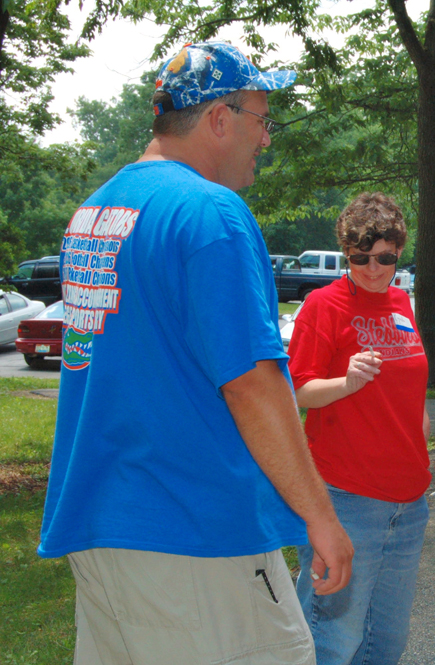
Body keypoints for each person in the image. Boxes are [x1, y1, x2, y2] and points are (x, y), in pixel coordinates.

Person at [37, 41, 353, 664]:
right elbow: (252, 382)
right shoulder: (211, 213)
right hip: (195, 533)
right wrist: (320, 516)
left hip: (101, 527)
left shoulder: (95, 213)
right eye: (262, 120)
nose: (266, 139)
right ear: (218, 119)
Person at [288, 192, 431, 665]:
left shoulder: (400, 302)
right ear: (346, 253)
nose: (373, 268)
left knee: (384, 644)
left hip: (408, 503)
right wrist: (346, 382)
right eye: (360, 258)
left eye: (385, 258)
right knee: (331, 641)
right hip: (346, 499)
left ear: (398, 253)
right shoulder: (323, 306)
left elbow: (408, 385)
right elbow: (299, 391)